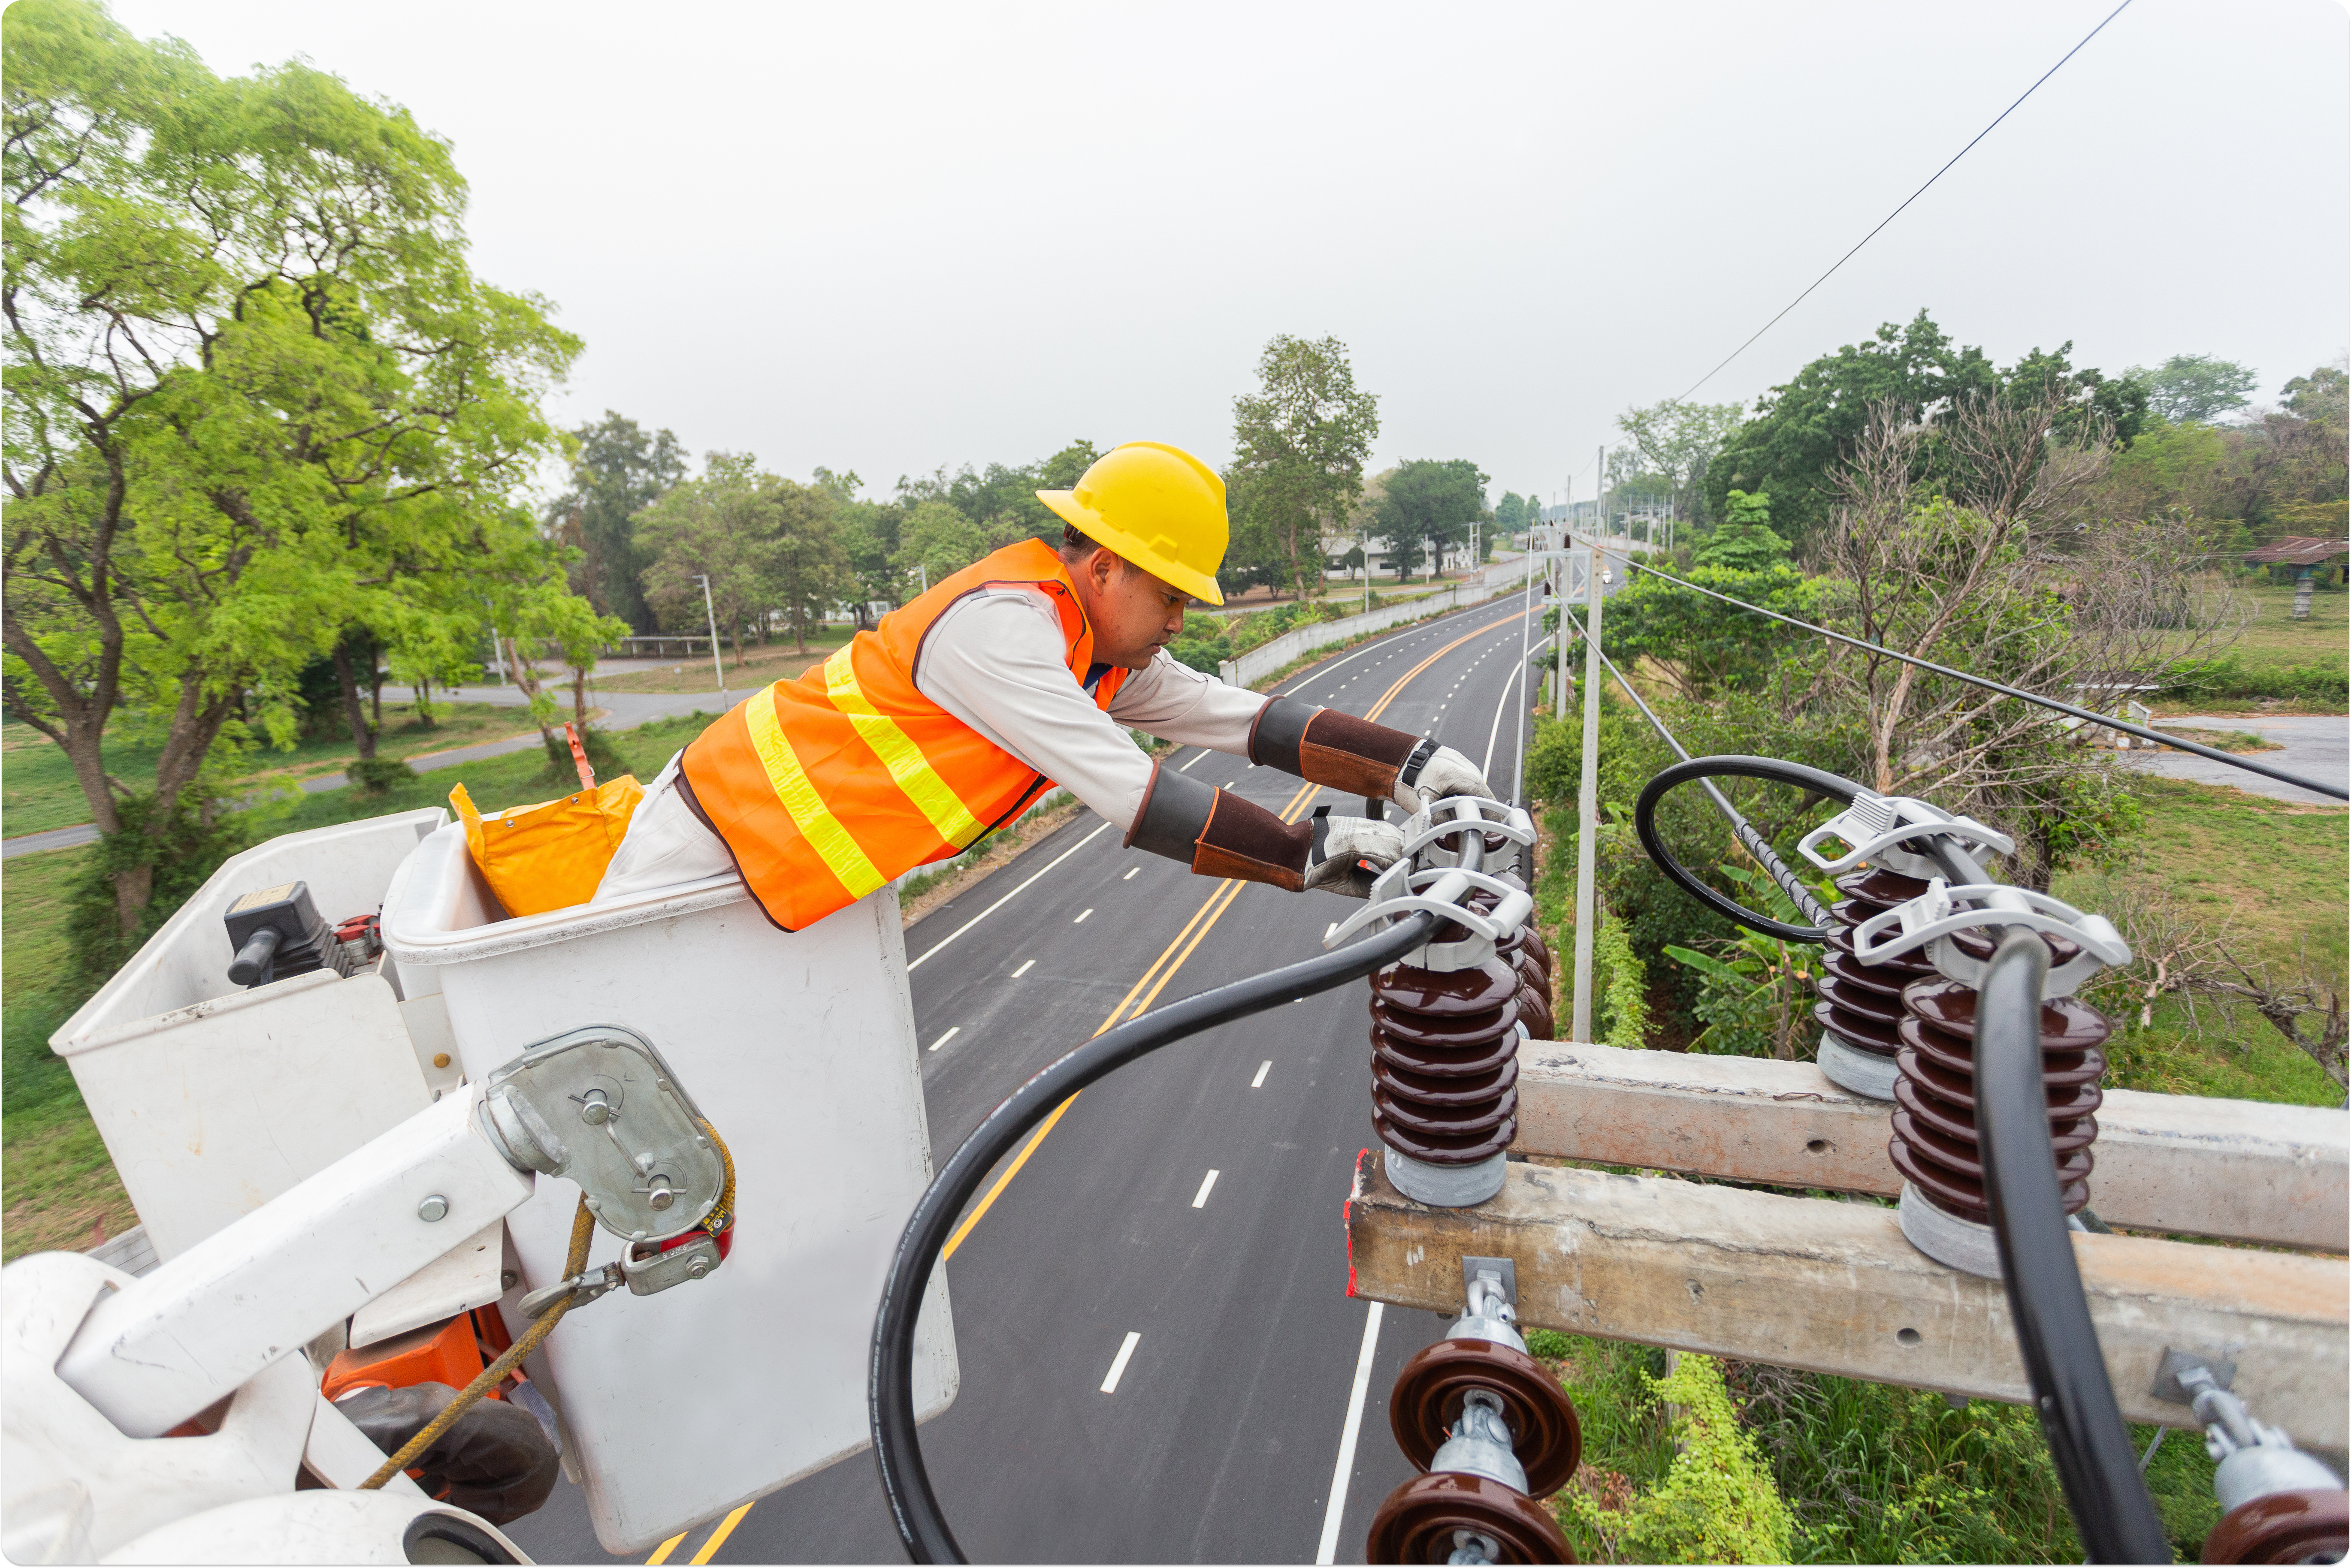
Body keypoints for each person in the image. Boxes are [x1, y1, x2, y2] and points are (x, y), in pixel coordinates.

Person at [594, 440, 1498, 928]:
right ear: (1106, 568)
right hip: (704, 848)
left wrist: (1413, 762)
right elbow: (1131, 790)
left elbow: (1235, 715)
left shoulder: (1087, 645)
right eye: (1171, 596)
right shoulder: (999, 636)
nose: (1180, 621)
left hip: (776, 879)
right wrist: (1310, 854)